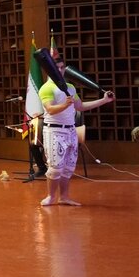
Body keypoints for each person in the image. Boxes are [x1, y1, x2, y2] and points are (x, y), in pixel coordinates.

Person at [39, 54, 114, 207]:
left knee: (68, 168)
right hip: (54, 131)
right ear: (49, 69)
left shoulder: (70, 87)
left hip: (71, 130)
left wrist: (104, 100)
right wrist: (66, 105)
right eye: (56, 68)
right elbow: (50, 109)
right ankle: (51, 196)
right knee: (55, 168)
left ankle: (64, 197)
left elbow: (80, 107)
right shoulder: (46, 88)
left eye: (62, 67)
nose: (60, 70)